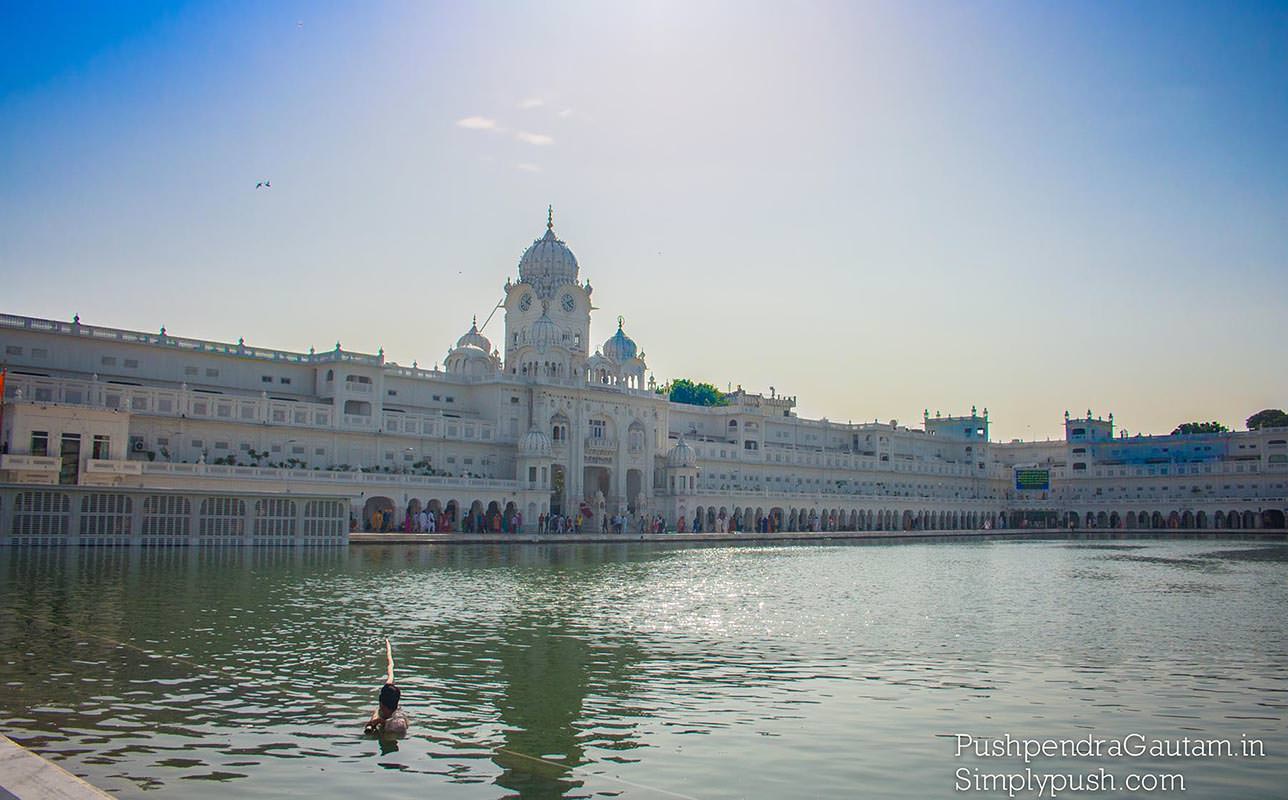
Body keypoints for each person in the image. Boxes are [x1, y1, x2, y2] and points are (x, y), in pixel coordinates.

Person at [365, 639, 409, 736]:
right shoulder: (396, 712)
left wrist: (381, 722)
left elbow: (398, 726)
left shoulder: (397, 722)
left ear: (382, 704)